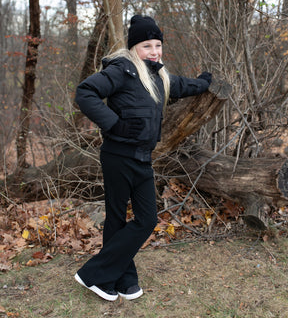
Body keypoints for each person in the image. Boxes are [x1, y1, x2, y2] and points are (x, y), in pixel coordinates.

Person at [74, 15, 212, 302]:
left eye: (158, 45)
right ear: (135, 47)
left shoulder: (157, 76)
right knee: (115, 217)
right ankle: (104, 277)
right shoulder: (122, 69)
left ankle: (115, 276)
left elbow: (180, 85)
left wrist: (202, 84)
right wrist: (114, 124)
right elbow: (85, 92)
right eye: (147, 45)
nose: (154, 51)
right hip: (118, 155)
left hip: (142, 159)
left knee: (147, 219)